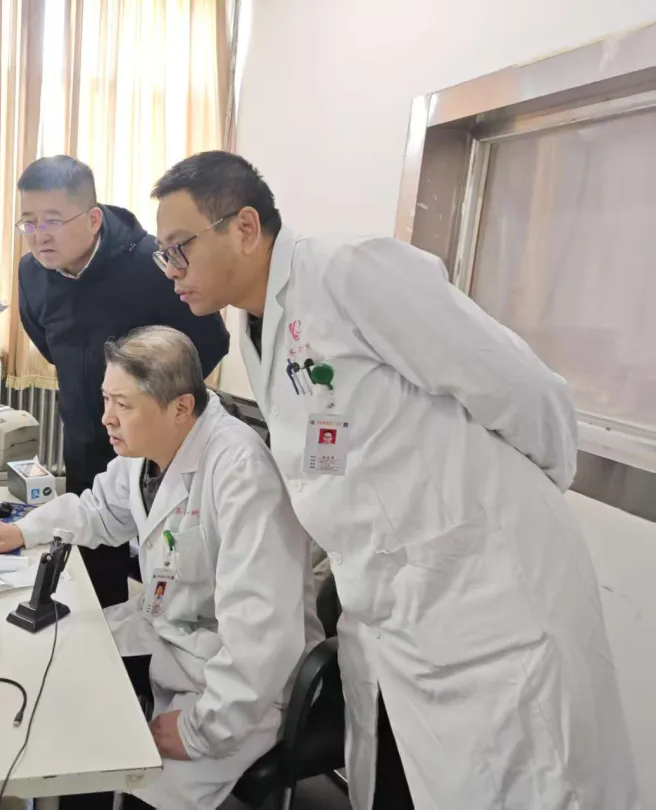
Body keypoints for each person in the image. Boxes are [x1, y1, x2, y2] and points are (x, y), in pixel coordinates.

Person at [150, 151, 641, 810]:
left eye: (180, 248)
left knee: (541, 784)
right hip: (401, 617)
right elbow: (330, 455)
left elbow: (524, 390)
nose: (171, 270)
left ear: (243, 227)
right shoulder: (255, 332)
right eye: (164, 255)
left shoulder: (349, 272)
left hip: (493, 601)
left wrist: (517, 516)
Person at [0, 326, 321, 810]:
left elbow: (263, 635)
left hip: (236, 685)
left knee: (137, 770)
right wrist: (22, 530)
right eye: (106, 399)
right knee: (58, 661)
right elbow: (99, 511)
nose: (106, 417)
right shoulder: (148, 452)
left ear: (181, 408)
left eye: (122, 404)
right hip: (177, 632)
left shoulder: (242, 475)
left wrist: (200, 730)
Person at [15, 156, 230, 611]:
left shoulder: (152, 265)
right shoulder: (31, 274)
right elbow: (50, 345)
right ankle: (106, 641)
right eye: (29, 223)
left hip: (157, 443)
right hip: (84, 437)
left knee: (172, 566)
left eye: (53, 221)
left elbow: (210, 341)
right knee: (91, 567)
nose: (40, 235)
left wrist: (158, 403)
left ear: (93, 218)